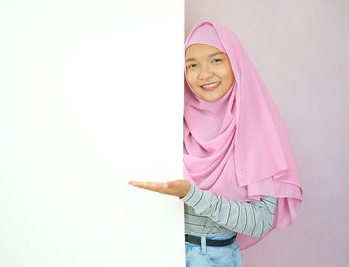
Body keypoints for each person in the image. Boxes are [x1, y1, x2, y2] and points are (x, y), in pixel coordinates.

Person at [128, 21, 303, 267]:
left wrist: (192, 195)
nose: (204, 74)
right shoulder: (172, 120)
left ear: (235, 63)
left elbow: (261, 221)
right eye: (192, 65)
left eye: (216, 60)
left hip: (212, 258)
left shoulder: (256, 130)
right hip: (155, 251)